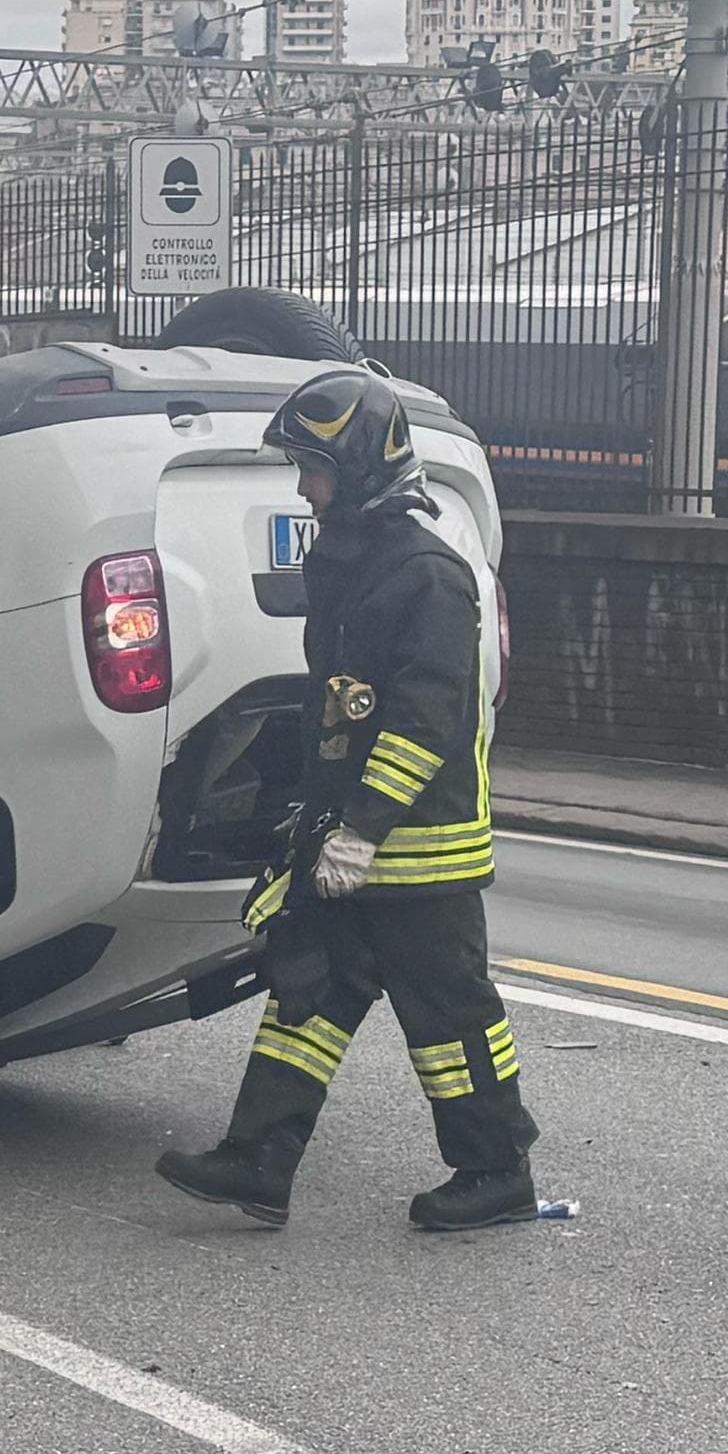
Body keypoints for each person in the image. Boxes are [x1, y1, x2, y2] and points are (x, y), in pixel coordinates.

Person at [154, 368, 538, 1234]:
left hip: (421, 847)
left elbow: (425, 719)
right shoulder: (347, 559)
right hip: (345, 842)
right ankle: (259, 1158)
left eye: (311, 466)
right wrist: (313, 818)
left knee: (449, 1017)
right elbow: (333, 702)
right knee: (309, 996)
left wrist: (363, 828)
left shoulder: (429, 575)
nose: (301, 484)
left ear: (359, 463)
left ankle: (496, 1170)